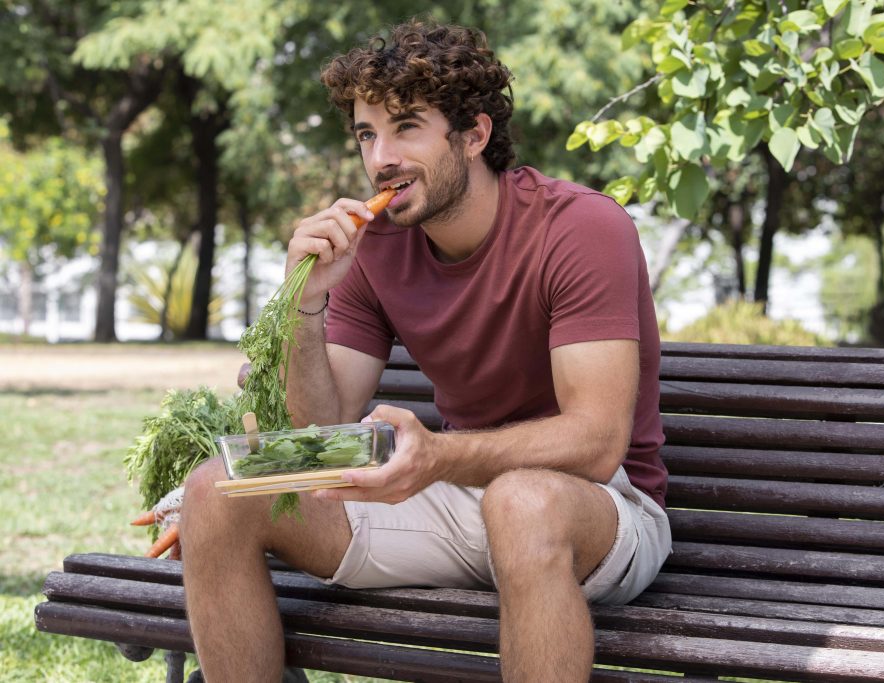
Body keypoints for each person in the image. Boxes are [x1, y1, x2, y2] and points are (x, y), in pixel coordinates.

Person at [180, 19, 670, 683]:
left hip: (598, 507)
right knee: (216, 489)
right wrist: (305, 305)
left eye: (406, 126)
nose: (381, 155)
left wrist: (438, 455)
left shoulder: (580, 227)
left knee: (521, 501)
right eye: (365, 133)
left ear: (473, 135)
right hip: (457, 494)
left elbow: (597, 441)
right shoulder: (375, 244)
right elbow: (320, 436)